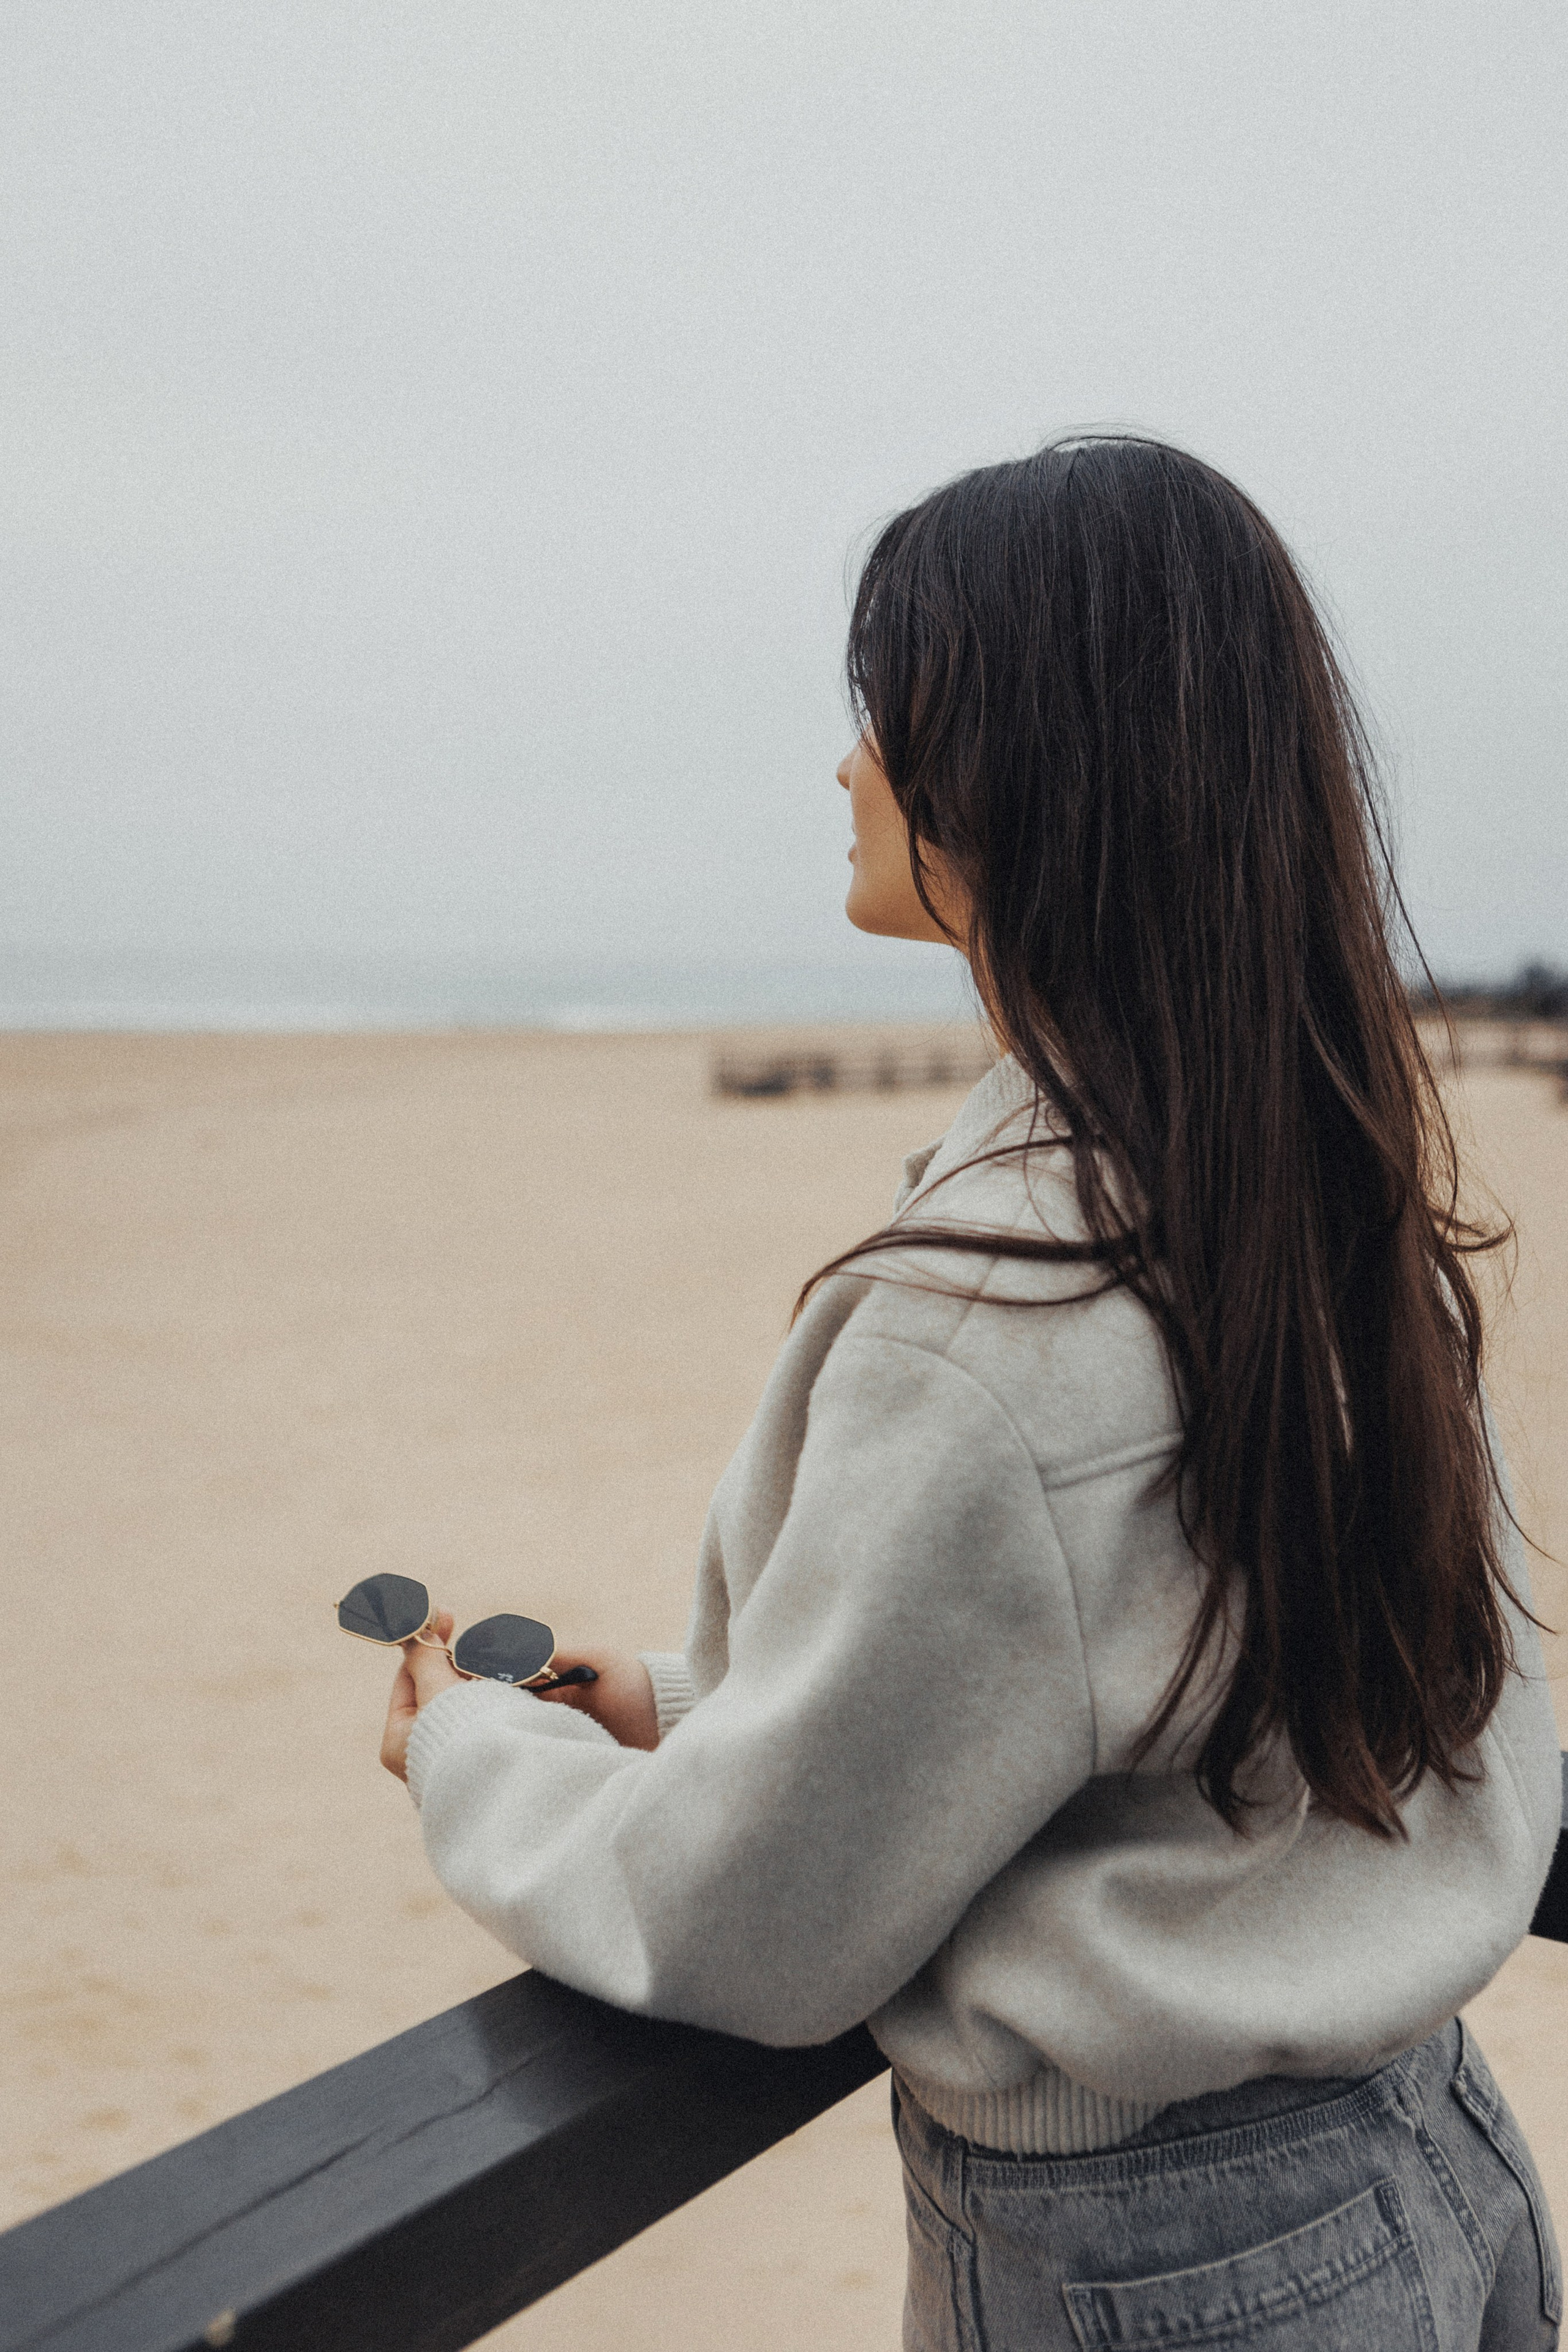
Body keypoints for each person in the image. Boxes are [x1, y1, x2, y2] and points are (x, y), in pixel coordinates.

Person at [377, 437, 1562, 2350]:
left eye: (885, 714)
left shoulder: (999, 1313)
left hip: (1166, 2266)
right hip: (1427, 2157)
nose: (849, 765)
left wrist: (468, 1751)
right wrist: (696, 1706)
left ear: (1012, 775)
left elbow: (747, 1927)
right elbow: (1215, 1662)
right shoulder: (1310, 1183)